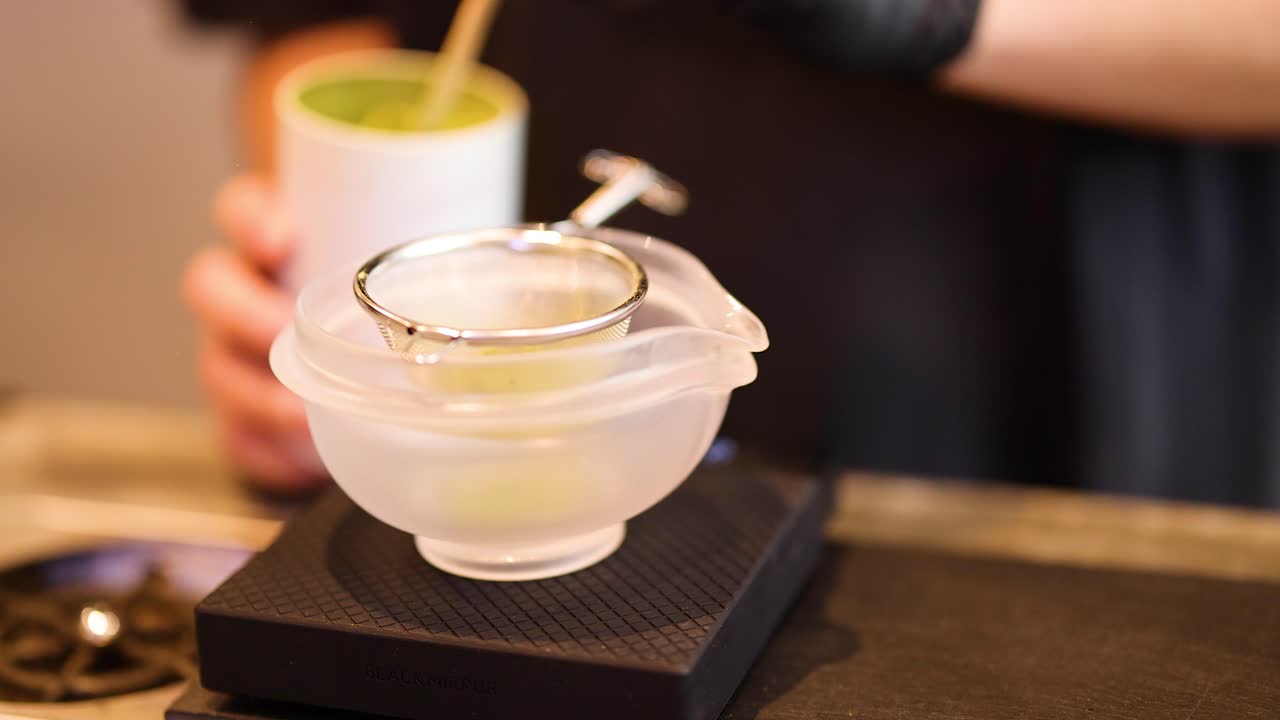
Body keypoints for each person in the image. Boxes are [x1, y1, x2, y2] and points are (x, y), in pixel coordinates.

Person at [180, 1, 1280, 506]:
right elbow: (311, 20)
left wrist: (926, 18)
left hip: (1084, 447)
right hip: (506, 452)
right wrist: (347, 332)